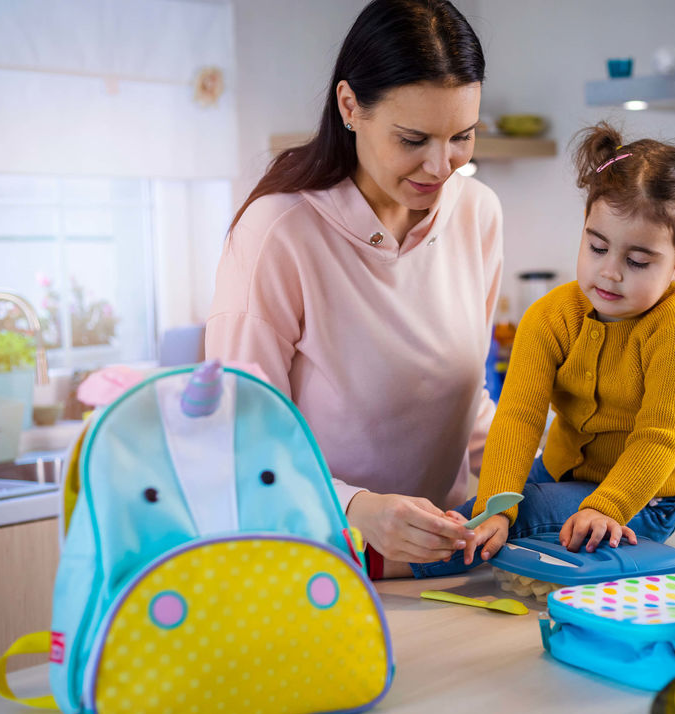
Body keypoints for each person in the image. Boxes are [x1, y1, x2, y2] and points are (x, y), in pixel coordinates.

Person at [205, 0, 502, 577]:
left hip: (437, 569)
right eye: (413, 138)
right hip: (305, 570)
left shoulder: (479, 213)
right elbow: (241, 442)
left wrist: (531, 480)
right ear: (350, 106)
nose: (442, 166)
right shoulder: (279, 232)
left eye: (461, 137)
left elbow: (467, 406)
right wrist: (357, 508)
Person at [415, 122, 675, 577]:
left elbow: (660, 437)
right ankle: (366, 551)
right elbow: (519, 417)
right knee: (482, 510)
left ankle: (381, 564)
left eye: (636, 261)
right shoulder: (550, 315)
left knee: (521, 515)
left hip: (644, 499)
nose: (609, 273)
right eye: (596, 246)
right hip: (559, 474)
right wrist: (496, 505)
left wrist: (608, 506)